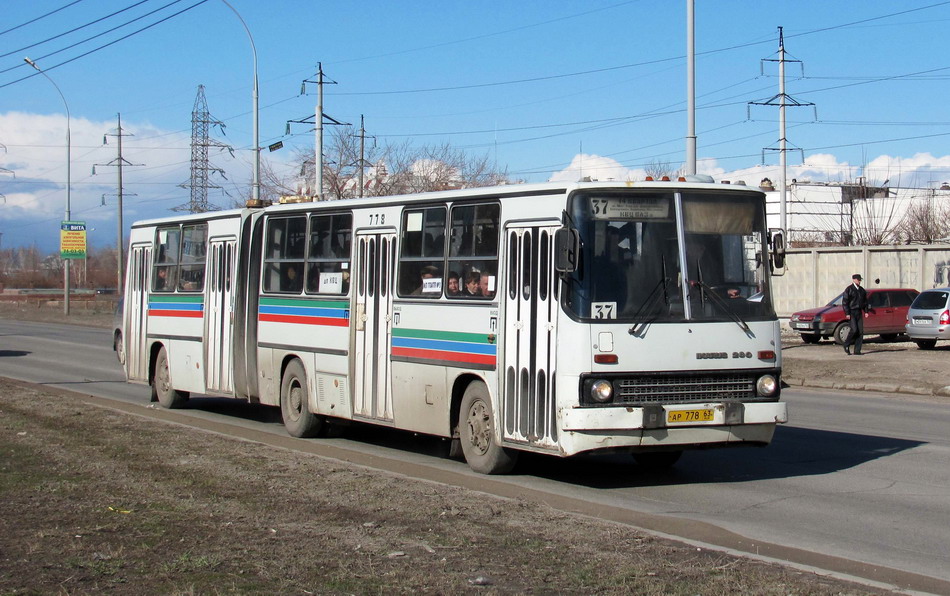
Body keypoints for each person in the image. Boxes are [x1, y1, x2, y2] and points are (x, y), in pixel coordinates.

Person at [842, 273, 869, 355]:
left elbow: (865, 302)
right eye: (858, 279)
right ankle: (846, 344)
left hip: (859, 312)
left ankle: (857, 350)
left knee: (860, 331)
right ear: (854, 280)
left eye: (860, 279)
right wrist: (847, 313)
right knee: (854, 330)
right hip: (852, 311)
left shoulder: (862, 290)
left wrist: (866, 311)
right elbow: (845, 302)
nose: (859, 281)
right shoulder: (849, 289)